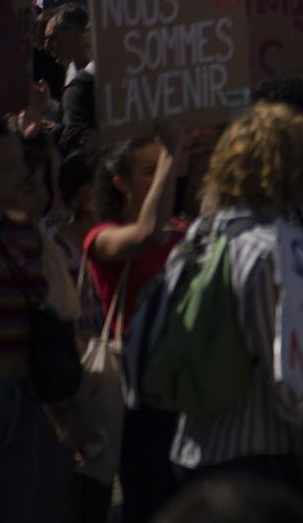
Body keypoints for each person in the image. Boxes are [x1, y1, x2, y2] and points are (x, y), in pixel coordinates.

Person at [166, 103, 303, 495]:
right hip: (257, 458)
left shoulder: (193, 240)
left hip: (193, 450)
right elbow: (287, 382)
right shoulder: (268, 252)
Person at [0, 115, 78, 522]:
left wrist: (62, 411)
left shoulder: (28, 235)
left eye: (21, 163)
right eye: (8, 166)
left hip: (24, 397)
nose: (21, 174)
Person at [83, 127, 186, 523]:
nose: (163, 173)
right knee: (148, 494)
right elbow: (146, 234)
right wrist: (172, 156)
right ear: (120, 184)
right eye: (149, 169)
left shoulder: (181, 230)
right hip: (138, 380)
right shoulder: (102, 237)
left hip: (184, 373)